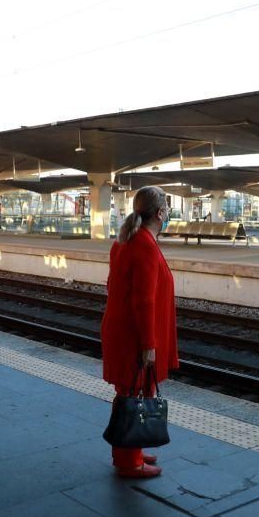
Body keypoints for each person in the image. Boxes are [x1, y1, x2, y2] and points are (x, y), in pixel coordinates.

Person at [100, 186, 179, 478]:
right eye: (167, 210)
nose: (168, 214)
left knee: (130, 392)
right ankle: (128, 461)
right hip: (134, 335)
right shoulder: (144, 245)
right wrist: (149, 344)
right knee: (132, 392)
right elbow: (143, 301)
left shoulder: (126, 240)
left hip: (121, 329)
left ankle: (128, 448)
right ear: (159, 213)